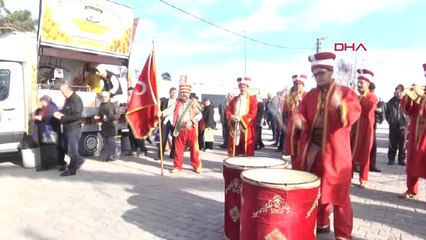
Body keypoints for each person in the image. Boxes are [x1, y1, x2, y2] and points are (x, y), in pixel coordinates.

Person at [293, 52, 361, 239]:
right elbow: (300, 112)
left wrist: (340, 106)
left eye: (321, 73)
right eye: (315, 74)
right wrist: (298, 120)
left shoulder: (347, 93)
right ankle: (322, 224)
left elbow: (354, 114)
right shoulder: (310, 95)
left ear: (331, 72)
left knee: (339, 197)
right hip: (313, 151)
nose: (318, 77)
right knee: (316, 189)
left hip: (336, 154)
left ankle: (343, 235)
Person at [161, 76, 202, 173]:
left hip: (191, 129)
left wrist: (192, 121)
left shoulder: (193, 103)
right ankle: (177, 166)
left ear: (189, 93)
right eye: (183, 92)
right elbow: (170, 110)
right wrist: (162, 113)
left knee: (194, 149)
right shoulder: (177, 102)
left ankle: (196, 165)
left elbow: (200, 114)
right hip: (179, 129)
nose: (184, 94)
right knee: (178, 149)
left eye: (186, 92)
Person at [398, 63, 426, 199]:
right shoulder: (422, 90)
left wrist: (423, 97)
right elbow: (408, 110)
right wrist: (408, 98)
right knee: (412, 160)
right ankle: (411, 190)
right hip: (415, 132)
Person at [351, 69, 378, 189]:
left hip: (366, 130)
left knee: (364, 154)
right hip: (353, 129)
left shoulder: (372, 97)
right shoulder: (355, 96)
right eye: (358, 82)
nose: (359, 84)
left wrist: (357, 100)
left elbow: (366, 109)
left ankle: (363, 179)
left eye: (361, 82)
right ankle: (347, 175)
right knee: (350, 152)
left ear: (368, 84)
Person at [53, 82, 85, 177]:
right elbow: (65, 110)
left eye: (63, 92)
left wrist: (62, 118)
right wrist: (59, 112)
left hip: (74, 128)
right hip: (67, 128)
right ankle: (79, 160)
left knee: (72, 150)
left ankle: (72, 170)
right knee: (64, 147)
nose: (62, 94)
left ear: (68, 90)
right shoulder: (68, 100)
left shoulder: (76, 100)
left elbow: (77, 116)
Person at [32, 95, 66, 171]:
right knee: (45, 149)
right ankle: (45, 165)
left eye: (42, 102)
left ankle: (60, 164)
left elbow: (52, 117)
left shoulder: (52, 107)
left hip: (51, 132)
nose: (41, 103)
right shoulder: (43, 109)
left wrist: (40, 117)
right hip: (44, 132)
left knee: (54, 149)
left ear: (46, 101)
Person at [225, 77, 258, 156]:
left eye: (244, 87)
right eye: (241, 87)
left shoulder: (252, 99)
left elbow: (253, 113)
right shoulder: (235, 99)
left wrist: (241, 119)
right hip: (235, 125)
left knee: (247, 148)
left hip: (247, 126)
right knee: (234, 146)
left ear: (247, 88)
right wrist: (231, 116)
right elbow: (228, 110)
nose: (242, 89)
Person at [283, 74, 307, 163]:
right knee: (294, 150)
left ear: (303, 85)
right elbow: (285, 112)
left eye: (300, 84)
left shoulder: (307, 96)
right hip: (292, 127)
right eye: (296, 84)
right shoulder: (289, 97)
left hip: (304, 127)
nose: (298, 86)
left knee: (303, 149)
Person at [385, 84, 408, 166]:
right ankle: (391, 159)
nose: (398, 94)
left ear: (403, 92)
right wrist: (390, 121)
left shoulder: (406, 101)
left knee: (403, 144)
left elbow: (410, 112)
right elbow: (386, 112)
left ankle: (401, 159)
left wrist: (407, 121)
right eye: (397, 92)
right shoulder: (391, 102)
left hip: (403, 126)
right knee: (392, 143)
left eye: (400, 92)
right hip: (393, 126)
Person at [94, 91, 120, 161]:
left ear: (108, 97)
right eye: (102, 97)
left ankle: (115, 155)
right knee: (105, 142)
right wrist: (98, 116)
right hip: (104, 125)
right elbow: (100, 113)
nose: (104, 98)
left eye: (105, 97)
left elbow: (117, 115)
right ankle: (109, 157)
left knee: (111, 141)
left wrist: (108, 118)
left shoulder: (113, 104)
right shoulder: (102, 104)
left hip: (112, 125)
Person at [157, 87, 177, 159]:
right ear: (169, 92)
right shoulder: (164, 100)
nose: (173, 94)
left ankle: (173, 154)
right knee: (163, 138)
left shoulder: (178, 102)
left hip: (174, 122)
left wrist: (162, 113)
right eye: (172, 92)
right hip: (165, 122)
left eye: (175, 92)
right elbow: (158, 105)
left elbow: (172, 110)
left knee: (175, 138)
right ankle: (160, 155)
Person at [127, 87, 147, 157]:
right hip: (130, 121)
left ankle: (143, 150)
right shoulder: (128, 100)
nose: (130, 93)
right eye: (129, 92)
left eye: (131, 92)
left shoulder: (138, 99)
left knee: (139, 136)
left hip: (137, 121)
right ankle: (133, 149)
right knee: (131, 136)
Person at [368, 82, 384, 172]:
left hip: (372, 124)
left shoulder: (372, 97)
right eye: (372, 90)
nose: (373, 92)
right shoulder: (367, 97)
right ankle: (358, 165)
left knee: (373, 145)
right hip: (365, 125)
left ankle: (372, 165)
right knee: (365, 145)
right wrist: (377, 109)